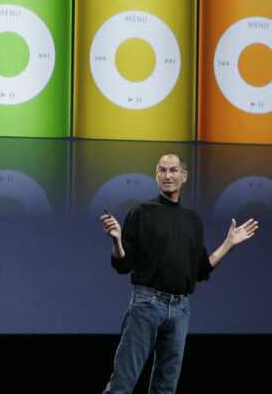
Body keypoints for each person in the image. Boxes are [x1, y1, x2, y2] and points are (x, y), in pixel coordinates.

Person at [98, 152, 258, 393]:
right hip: (146, 304)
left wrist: (228, 244)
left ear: (184, 176)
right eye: (162, 170)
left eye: (173, 170)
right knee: (123, 382)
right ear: (156, 175)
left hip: (181, 308)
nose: (167, 175)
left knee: (166, 387)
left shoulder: (192, 220)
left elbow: (201, 269)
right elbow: (123, 265)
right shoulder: (141, 212)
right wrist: (117, 240)